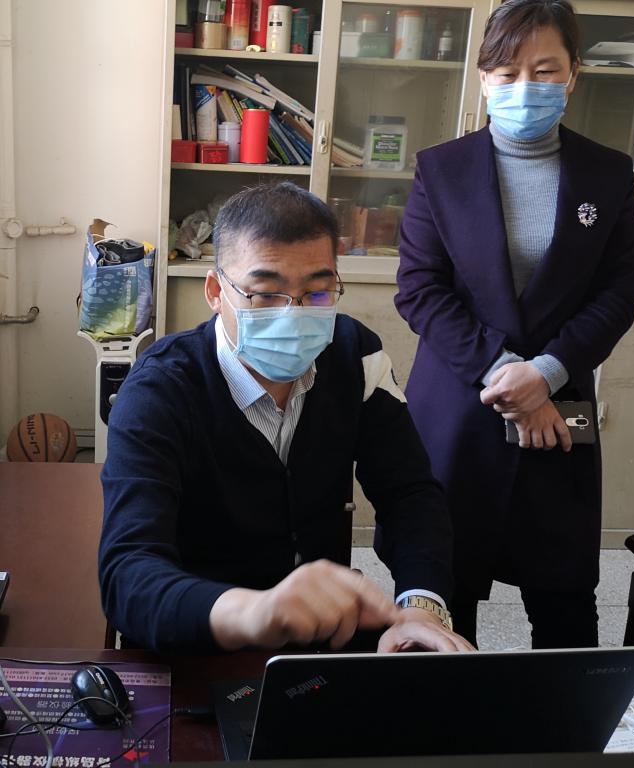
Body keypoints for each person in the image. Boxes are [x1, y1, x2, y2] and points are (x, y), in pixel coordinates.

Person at [99, 182, 473, 654]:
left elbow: (410, 494)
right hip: (195, 643)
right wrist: (256, 611)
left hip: (321, 640)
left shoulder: (356, 357)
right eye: (266, 294)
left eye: (317, 293)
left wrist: (420, 608)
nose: (293, 315)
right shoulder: (160, 391)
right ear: (215, 291)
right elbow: (127, 573)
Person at [394, 0, 634, 648]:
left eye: (545, 70)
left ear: (573, 74)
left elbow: (620, 291)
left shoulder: (607, 173)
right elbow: (419, 289)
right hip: (462, 400)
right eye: (507, 73)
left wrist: (547, 373)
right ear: (483, 78)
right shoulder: (441, 170)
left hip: (561, 405)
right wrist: (509, 374)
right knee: (448, 589)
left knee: (566, 597)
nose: (525, 86)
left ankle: (565, 711)